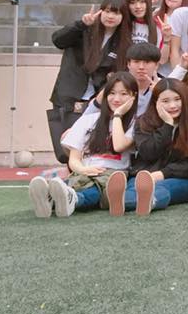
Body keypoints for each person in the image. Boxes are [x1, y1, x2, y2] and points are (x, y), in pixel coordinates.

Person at [30, 72, 137, 217]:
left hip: (112, 175)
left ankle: (71, 200)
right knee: (69, 184)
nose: (116, 98)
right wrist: (83, 169)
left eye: (124, 94)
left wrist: (118, 115)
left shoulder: (135, 123)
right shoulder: (88, 120)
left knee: (93, 190)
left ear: (133, 96)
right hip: (84, 171)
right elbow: (74, 158)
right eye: (112, 93)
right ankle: (49, 199)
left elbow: (119, 146)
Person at [105, 78, 188, 216]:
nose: (172, 105)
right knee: (136, 188)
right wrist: (167, 125)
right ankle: (119, 201)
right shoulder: (143, 123)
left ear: (185, 100)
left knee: (162, 188)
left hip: (178, 179)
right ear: (156, 102)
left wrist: (162, 174)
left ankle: (145, 201)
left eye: (177, 99)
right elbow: (148, 153)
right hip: (144, 175)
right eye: (165, 101)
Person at [47, 0, 123, 164]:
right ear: (100, 11)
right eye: (107, 11)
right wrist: (81, 24)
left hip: (96, 100)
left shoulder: (121, 41)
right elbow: (58, 40)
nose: (111, 16)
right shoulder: (84, 30)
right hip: (70, 94)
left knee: (88, 146)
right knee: (65, 146)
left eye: (116, 13)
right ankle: (72, 176)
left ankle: (80, 176)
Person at [119, 0, 166, 68]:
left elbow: (160, 59)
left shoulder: (157, 27)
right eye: (132, 3)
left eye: (142, 2)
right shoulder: (121, 23)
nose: (138, 6)